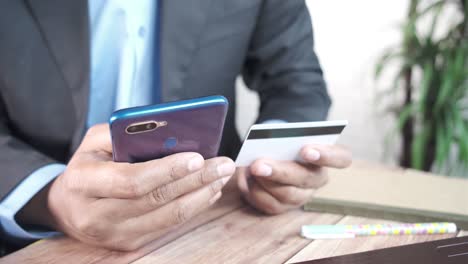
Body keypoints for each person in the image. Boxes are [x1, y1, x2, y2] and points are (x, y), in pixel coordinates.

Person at [0, 0, 352, 252]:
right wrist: (50, 197)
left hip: (214, 226)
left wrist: (274, 158)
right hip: (31, 239)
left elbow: (296, 82)